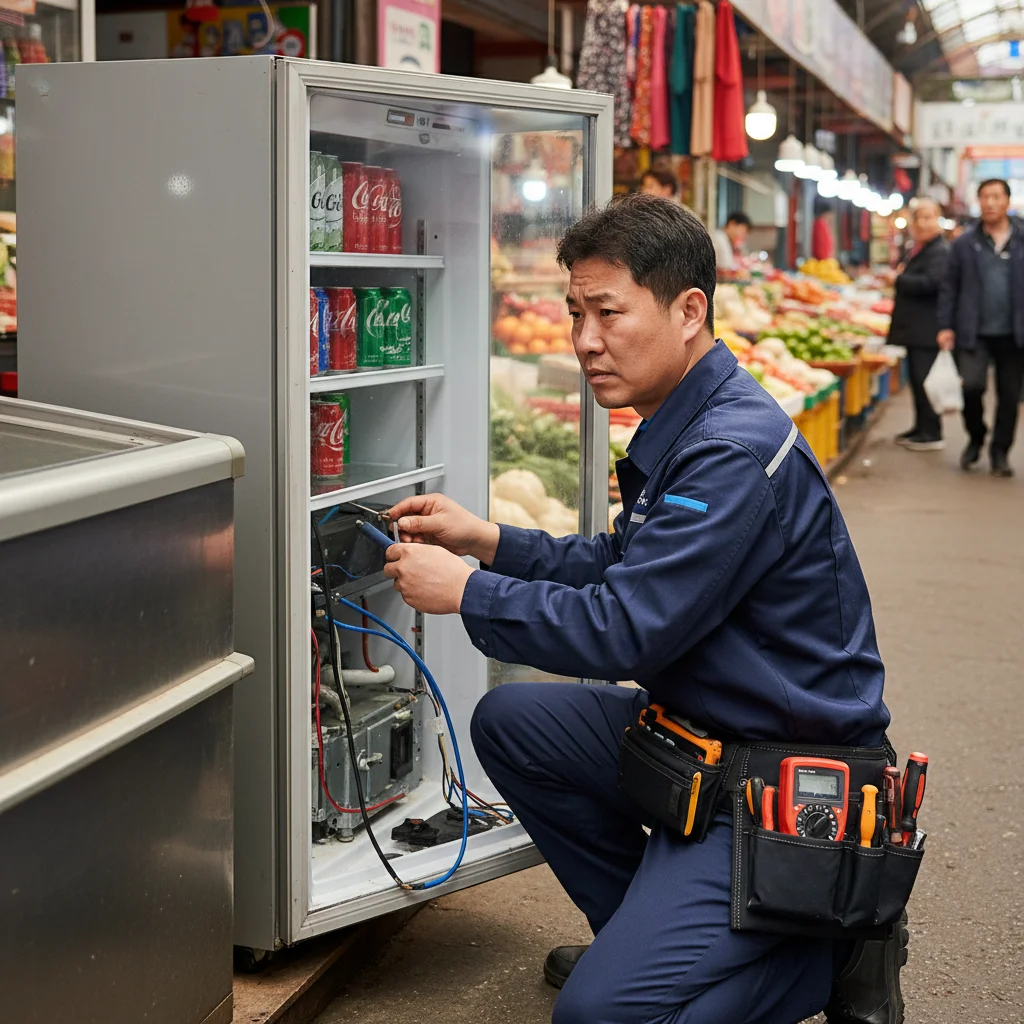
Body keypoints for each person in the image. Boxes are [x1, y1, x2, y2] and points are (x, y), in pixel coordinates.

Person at [382, 194, 905, 1024]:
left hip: (780, 779)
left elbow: (627, 627)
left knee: (598, 1018)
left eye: (608, 312)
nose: (585, 340)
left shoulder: (727, 449)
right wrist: (491, 541)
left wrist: (467, 593)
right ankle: (648, 938)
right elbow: (626, 564)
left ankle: (828, 957)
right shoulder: (689, 419)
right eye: (574, 313)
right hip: (702, 737)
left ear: (688, 310)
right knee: (514, 723)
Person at [937, 178, 1024, 477]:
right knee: (972, 387)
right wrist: (945, 325)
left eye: (996, 196)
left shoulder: (1022, 238)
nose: (990, 202)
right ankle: (976, 436)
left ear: (1007, 201)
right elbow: (949, 287)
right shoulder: (964, 243)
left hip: (1014, 332)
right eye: (984, 196)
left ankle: (1000, 452)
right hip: (972, 330)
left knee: (1010, 396)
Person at [889, 198, 949, 451]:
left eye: (928, 217)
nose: (922, 223)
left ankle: (931, 433)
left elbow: (932, 283)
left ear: (938, 220)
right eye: (918, 218)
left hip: (928, 329)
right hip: (917, 329)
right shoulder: (922, 248)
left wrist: (899, 280)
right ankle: (920, 427)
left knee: (925, 381)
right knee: (917, 380)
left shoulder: (940, 251)